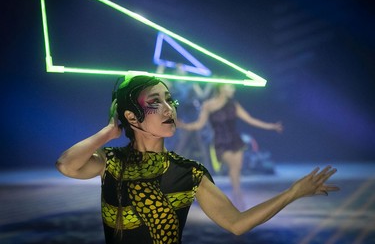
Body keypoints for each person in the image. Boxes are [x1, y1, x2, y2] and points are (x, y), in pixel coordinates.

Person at [56, 75, 339, 244]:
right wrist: (108, 133)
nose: (169, 108)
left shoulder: (190, 172)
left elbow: (236, 224)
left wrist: (292, 193)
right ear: (131, 116)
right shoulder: (111, 162)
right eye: (155, 102)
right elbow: (67, 165)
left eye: (170, 100)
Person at [178, 83, 283, 209]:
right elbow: (199, 125)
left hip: (235, 141)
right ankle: (237, 194)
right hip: (221, 142)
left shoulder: (233, 105)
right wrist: (183, 126)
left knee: (236, 170)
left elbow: (250, 119)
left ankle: (237, 194)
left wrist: (271, 126)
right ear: (221, 88)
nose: (233, 89)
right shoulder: (208, 105)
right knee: (233, 167)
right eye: (230, 87)